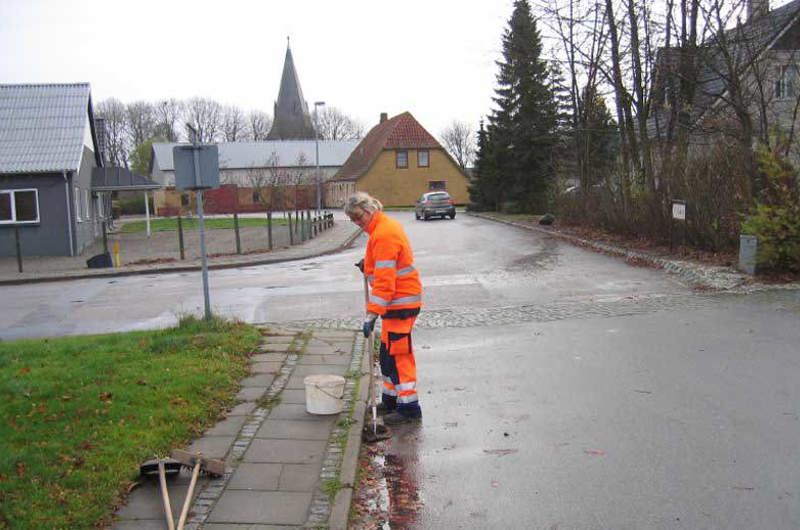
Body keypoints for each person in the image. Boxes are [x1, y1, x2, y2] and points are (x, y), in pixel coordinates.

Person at [345, 192, 423, 425]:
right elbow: (380, 266)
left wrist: (371, 315)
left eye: (358, 217)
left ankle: (409, 407)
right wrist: (366, 266)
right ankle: (390, 401)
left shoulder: (384, 234)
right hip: (396, 304)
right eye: (353, 220)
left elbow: (385, 283)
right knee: (388, 355)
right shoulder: (379, 230)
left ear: (369, 211)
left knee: (399, 356)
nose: (357, 223)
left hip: (401, 303)